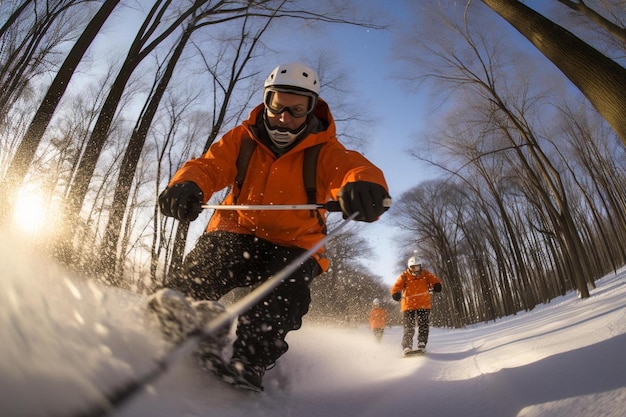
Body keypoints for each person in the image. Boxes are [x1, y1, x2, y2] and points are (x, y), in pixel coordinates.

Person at [157, 62, 390, 390]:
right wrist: (189, 184)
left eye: (297, 110)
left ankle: (250, 359)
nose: (284, 119)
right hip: (239, 228)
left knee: (283, 293)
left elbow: (354, 169)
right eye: (278, 107)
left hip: (296, 242)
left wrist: (365, 187)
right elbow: (209, 166)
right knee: (213, 259)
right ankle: (180, 314)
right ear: (266, 101)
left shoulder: (325, 150)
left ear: (311, 110)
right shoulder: (243, 138)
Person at [390, 256, 442, 354]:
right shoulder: (404, 276)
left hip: (423, 304)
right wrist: (395, 293)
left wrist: (436, 285)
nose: (415, 270)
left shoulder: (425, 274)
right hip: (408, 305)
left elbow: (435, 281)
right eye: (413, 267)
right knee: (409, 326)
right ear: (409, 267)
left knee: (423, 325)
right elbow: (396, 286)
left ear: (420, 267)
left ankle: (422, 342)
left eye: (417, 267)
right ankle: (407, 346)